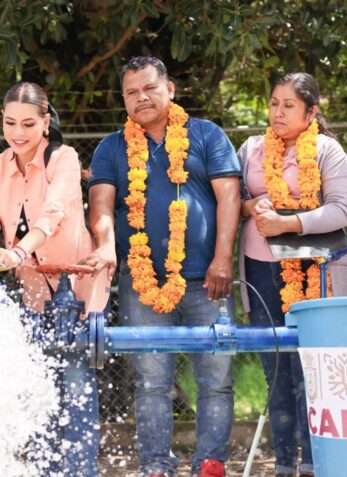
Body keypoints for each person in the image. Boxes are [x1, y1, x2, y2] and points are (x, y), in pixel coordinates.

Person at [82, 56, 240, 477]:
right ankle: (156, 465)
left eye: (149, 88)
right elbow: (100, 203)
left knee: (217, 379)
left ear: (170, 89)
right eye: (131, 92)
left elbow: (229, 198)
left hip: (210, 280)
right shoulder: (112, 147)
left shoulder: (205, 135)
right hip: (142, 283)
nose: (141, 98)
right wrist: (105, 244)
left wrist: (223, 258)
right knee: (151, 381)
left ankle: (211, 463)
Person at [0, 81, 110, 476]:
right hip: (33, 290)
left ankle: (81, 471)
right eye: (10, 123)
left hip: (80, 285)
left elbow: (54, 213)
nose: (18, 133)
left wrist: (16, 251)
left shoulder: (62, 157)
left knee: (78, 383)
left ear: (46, 123)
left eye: (28, 124)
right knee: (38, 385)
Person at [236, 73, 347, 477]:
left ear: (311, 111)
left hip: (314, 271)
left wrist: (289, 224)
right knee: (275, 369)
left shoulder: (327, 150)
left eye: (289, 105)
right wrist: (252, 209)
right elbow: (233, 199)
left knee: (312, 367)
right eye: (274, 103)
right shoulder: (251, 148)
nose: (279, 112)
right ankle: (284, 461)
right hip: (260, 269)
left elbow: (342, 210)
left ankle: (314, 461)